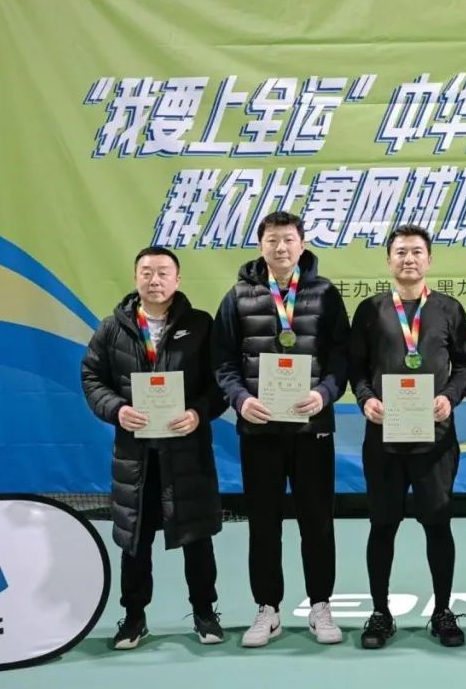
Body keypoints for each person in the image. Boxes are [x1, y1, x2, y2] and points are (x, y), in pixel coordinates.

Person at [212, 212, 350, 648]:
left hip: (313, 429)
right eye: (272, 240)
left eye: (289, 239)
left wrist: (324, 394)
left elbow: (341, 358)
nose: (281, 248)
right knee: (263, 523)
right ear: (261, 245)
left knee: (317, 522)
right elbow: (223, 361)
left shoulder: (325, 294)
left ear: (302, 244)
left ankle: (321, 605)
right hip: (260, 431)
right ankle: (267, 609)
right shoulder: (238, 296)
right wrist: (241, 400)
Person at [81, 246, 226, 650]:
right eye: (146, 272)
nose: (155, 280)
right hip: (136, 456)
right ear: (136, 278)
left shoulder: (200, 325)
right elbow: (92, 378)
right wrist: (117, 409)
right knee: (134, 540)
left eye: (163, 272)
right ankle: (134, 617)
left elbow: (220, 381)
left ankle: (205, 612)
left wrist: (198, 413)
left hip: (187, 451)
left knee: (197, 536)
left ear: (178, 280)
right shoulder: (112, 328)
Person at [349, 224, 466, 649]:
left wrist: (450, 398)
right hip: (384, 438)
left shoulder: (449, 309)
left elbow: (464, 366)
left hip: (434, 438)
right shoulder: (369, 310)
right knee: (382, 525)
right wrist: (366, 399)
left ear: (429, 259)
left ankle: (443, 611)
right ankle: (380, 613)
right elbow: (356, 368)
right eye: (400, 251)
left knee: (437, 524)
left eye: (417, 251)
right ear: (389, 260)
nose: (409, 259)